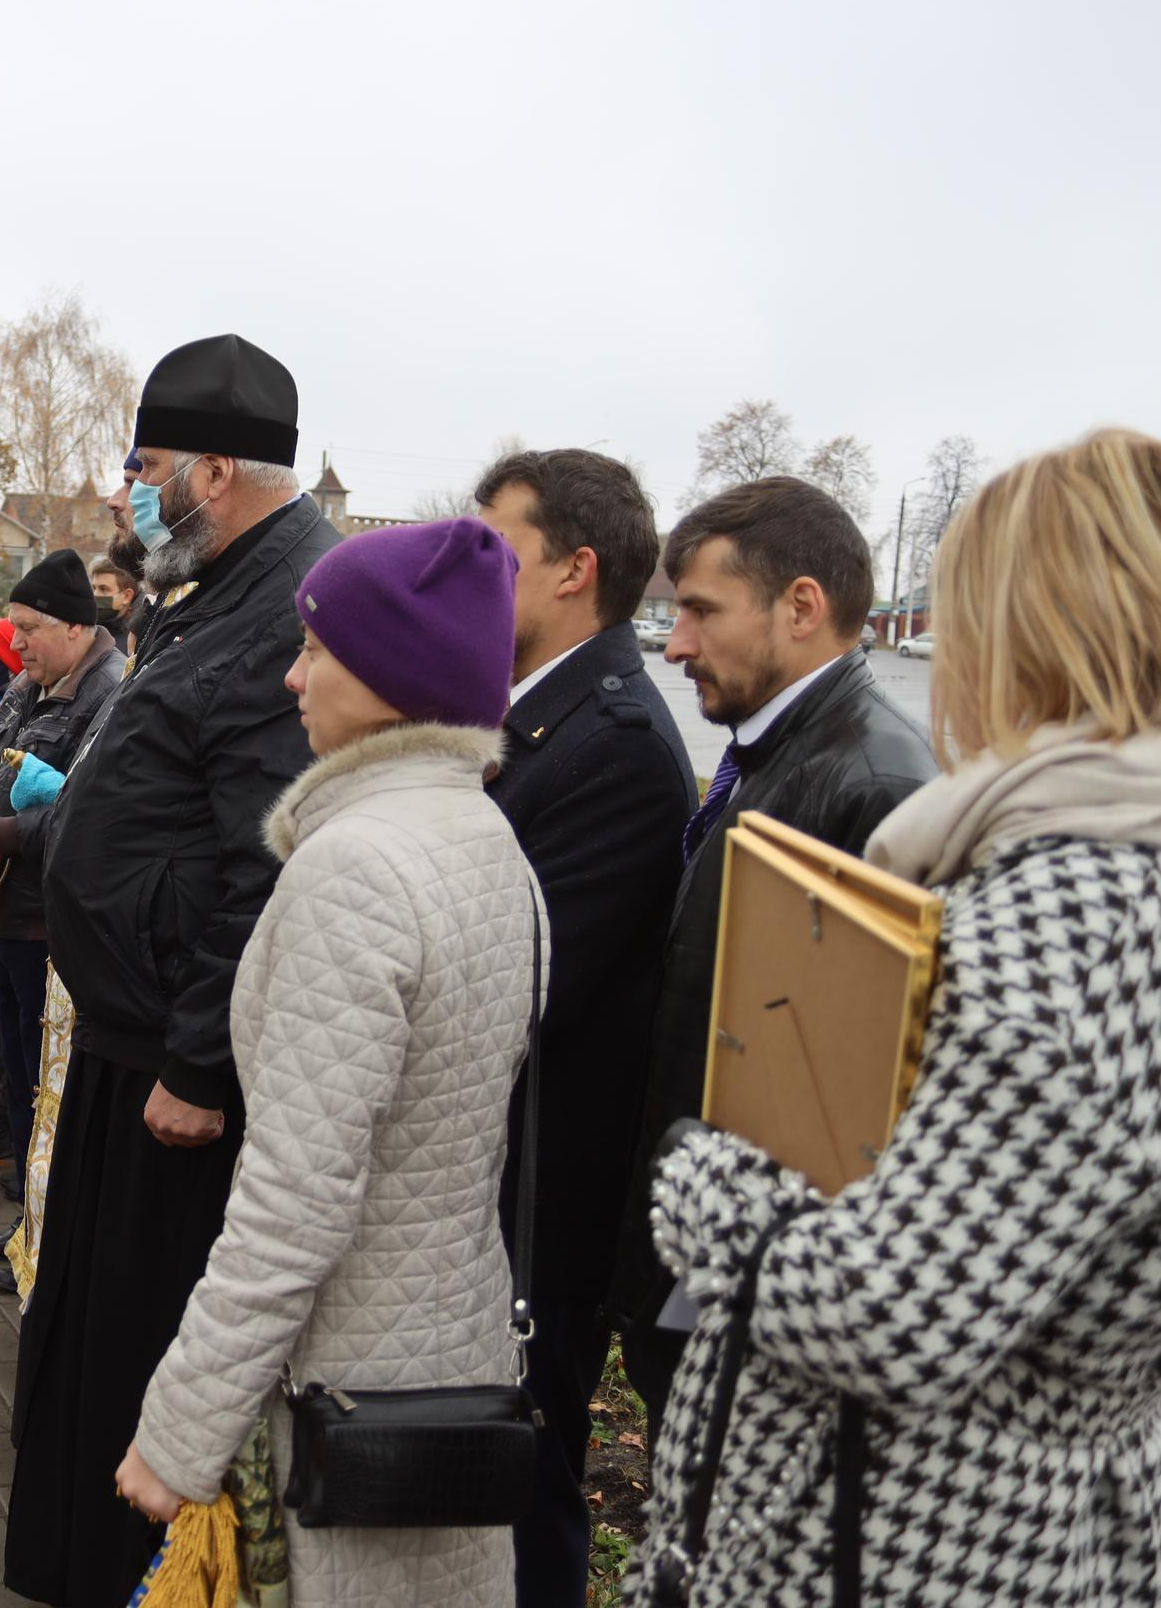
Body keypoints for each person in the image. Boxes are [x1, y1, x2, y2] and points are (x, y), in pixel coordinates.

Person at [632, 430, 1161, 1606]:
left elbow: (889, 1316)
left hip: (914, 1529)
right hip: (1084, 1513)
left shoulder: (1075, 916)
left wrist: (701, 1174)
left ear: (1034, 633)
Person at [115, 518, 535, 1601]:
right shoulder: (483, 835)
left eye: (316, 649)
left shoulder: (355, 866)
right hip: (454, 1343)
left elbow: (297, 1192)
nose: (293, 676)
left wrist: (181, 1426)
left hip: (350, 1380)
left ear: (393, 672)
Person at [7, 334, 342, 1605]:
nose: (121, 491)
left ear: (215, 469)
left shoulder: (288, 605)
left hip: (177, 1075)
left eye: (141, 467)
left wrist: (200, 1057)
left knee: (143, 1350)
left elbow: (266, 860)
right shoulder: (215, 583)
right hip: (129, 1037)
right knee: (88, 1342)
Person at [611, 477, 937, 1427]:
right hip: (706, 1259)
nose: (674, 645)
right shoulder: (783, 750)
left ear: (802, 606)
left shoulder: (875, 788)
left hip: (757, 1303)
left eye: (702, 612)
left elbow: (858, 1123)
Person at [470, 449, 694, 1608]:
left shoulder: (613, 747)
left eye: (493, 554)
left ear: (575, 571)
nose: (469, 578)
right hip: (498, 1178)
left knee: (523, 1482)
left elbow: (512, 979)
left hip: (539, 1202)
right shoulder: (533, 715)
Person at [0, 553, 126, 1217]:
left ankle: (47, 1225)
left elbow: (86, 808)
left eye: (28, 628)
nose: (14, 642)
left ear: (74, 626)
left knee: (51, 1085)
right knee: (18, 1072)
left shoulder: (109, 692)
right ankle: (27, 1218)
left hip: (52, 923)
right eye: (10, 626)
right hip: (4, 912)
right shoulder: (27, 682)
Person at [88, 554, 143, 645]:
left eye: (103, 589)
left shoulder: (137, 639)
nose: (95, 595)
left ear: (126, 596)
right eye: (94, 588)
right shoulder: (87, 630)